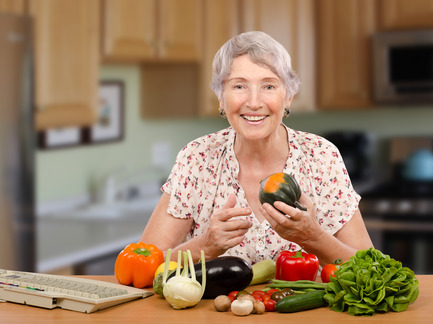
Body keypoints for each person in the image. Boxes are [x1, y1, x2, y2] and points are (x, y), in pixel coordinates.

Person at [140, 31, 373, 266]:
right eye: (239, 86)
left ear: (289, 96)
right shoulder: (196, 159)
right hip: (212, 305)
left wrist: (313, 237)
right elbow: (144, 264)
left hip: (306, 304)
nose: (253, 102)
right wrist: (206, 245)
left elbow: (371, 269)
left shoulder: (321, 156)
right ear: (221, 97)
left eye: (269, 86)